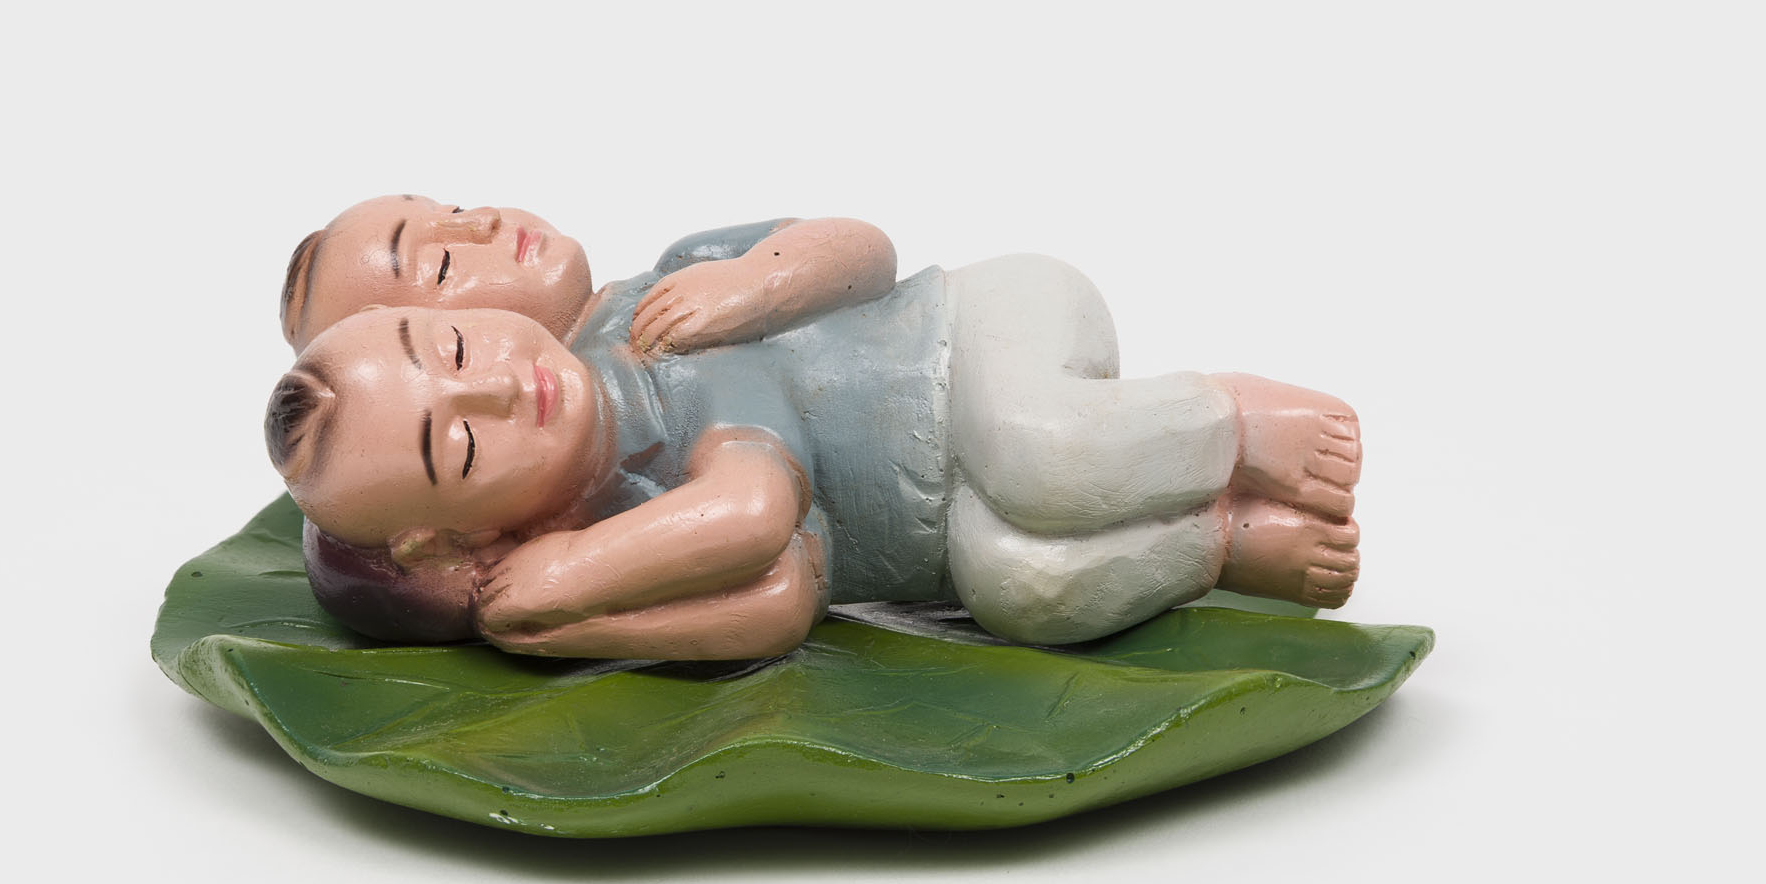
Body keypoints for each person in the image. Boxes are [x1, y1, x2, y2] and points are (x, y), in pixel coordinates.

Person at [265, 228, 1362, 659]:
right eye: (463, 448)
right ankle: (1225, 540)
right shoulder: (620, 509)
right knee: (1025, 588)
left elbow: (756, 507)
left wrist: (753, 281)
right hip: (951, 524)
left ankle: (1237, 421)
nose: (505, 389)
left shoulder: (641, 323)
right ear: (459, 538)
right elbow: (780, 599)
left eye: (458, 345)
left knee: (1041, 454)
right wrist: (547, 621)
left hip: (981, 338)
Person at [277, 194, 897, 357]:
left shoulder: (687, 268)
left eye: (455, 210)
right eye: (442, 264)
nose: (484, 221)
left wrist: (755, 281)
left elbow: (866, 249)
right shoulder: (577, 437)